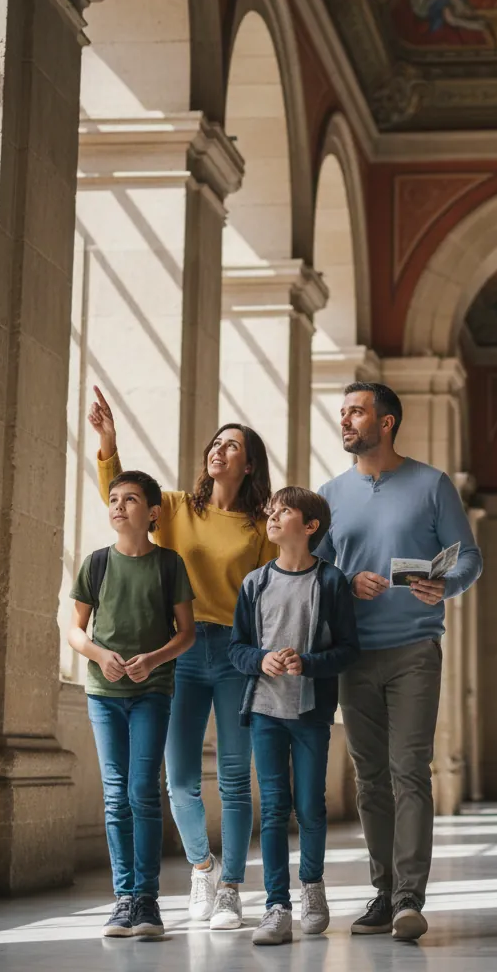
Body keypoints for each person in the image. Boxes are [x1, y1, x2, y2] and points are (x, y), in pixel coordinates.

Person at [89, 387, 277, 930]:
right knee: (181, 780)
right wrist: (108, 444)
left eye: (232, 444)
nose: (218, 449)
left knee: (237, 778)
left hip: (239, 653)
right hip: (183, 653)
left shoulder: (259, 527)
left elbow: (267, 596)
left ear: (249, 463)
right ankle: (202, 865)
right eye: (215, 442)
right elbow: (121, 499)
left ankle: (233, 889)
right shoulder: (172, 508)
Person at [315, 382, 482, 941]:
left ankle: (410, 897)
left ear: (386, 423)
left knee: (410, 771)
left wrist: (445, 583)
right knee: (370, 780)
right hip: (352, 655)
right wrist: (342, 581)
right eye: (342, 413)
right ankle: (382, 893)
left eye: (356, 412)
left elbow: (470, 558)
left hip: (414, 648)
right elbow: (310, 574)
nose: (346, 421)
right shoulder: (329, 493)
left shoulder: (432, 484)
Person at [228, 486, 360, 945]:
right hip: (264, 710)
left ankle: (313, 887)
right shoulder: (254, 583)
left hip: (309, 712)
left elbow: (348, 649)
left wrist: (308, 663)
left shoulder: (331, 582)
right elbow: (237, 649)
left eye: (285, 511)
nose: (273, 515)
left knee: (310, 805)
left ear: (309, 527)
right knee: (273, 808)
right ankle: (276, 906)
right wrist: (261, 660)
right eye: (272, 509)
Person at [67, 470, 196, 938]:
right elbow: (75, 630)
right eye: (114, 499)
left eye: (131, 499)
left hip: (152, 692)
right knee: (115, 792)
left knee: (143, 790)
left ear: (153, 513)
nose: (118, 506)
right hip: (104, 694)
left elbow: (187, 634)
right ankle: (124, 899)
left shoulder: (169, 564)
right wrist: (101, 655)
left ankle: (148, 900)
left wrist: (153, 659)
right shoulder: (95, 563)